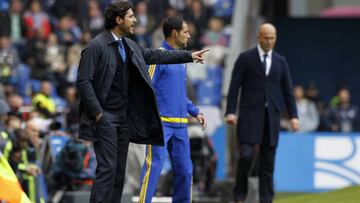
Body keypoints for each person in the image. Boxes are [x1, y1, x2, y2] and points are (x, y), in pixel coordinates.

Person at [76, 2, 209, 203]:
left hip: (123, 119)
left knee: (119, 171)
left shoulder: (128, 45)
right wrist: (97, 113)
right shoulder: (96, 46)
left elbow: (153, 55)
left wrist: (188, 56)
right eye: (130, 16)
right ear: (118, 20)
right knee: (107, 169)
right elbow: (83, 81)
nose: (135, 20)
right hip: (105, 118)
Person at [225, 23, 299, 203]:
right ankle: (239, 196)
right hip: (249, 116)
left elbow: (288, 91)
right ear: (259, 37)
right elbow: (234, 87)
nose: (269, 41)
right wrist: (230, 112)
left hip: (271, 118)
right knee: (246, 156)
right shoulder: (245, 58)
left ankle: (266, 200)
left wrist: (293, 116)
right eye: (266, 37)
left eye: (273, 38)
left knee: (268, 162)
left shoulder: (281, 61)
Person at [138, 16, 207, 203]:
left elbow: (179, 95)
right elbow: (147, 88)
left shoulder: (181, 60)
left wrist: (195, 111)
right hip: (161, 124)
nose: (189, 35)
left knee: (186, 170)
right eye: (186, 32)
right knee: (154, 167)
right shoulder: (158, 57)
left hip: (180, 126)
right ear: (174, 33)